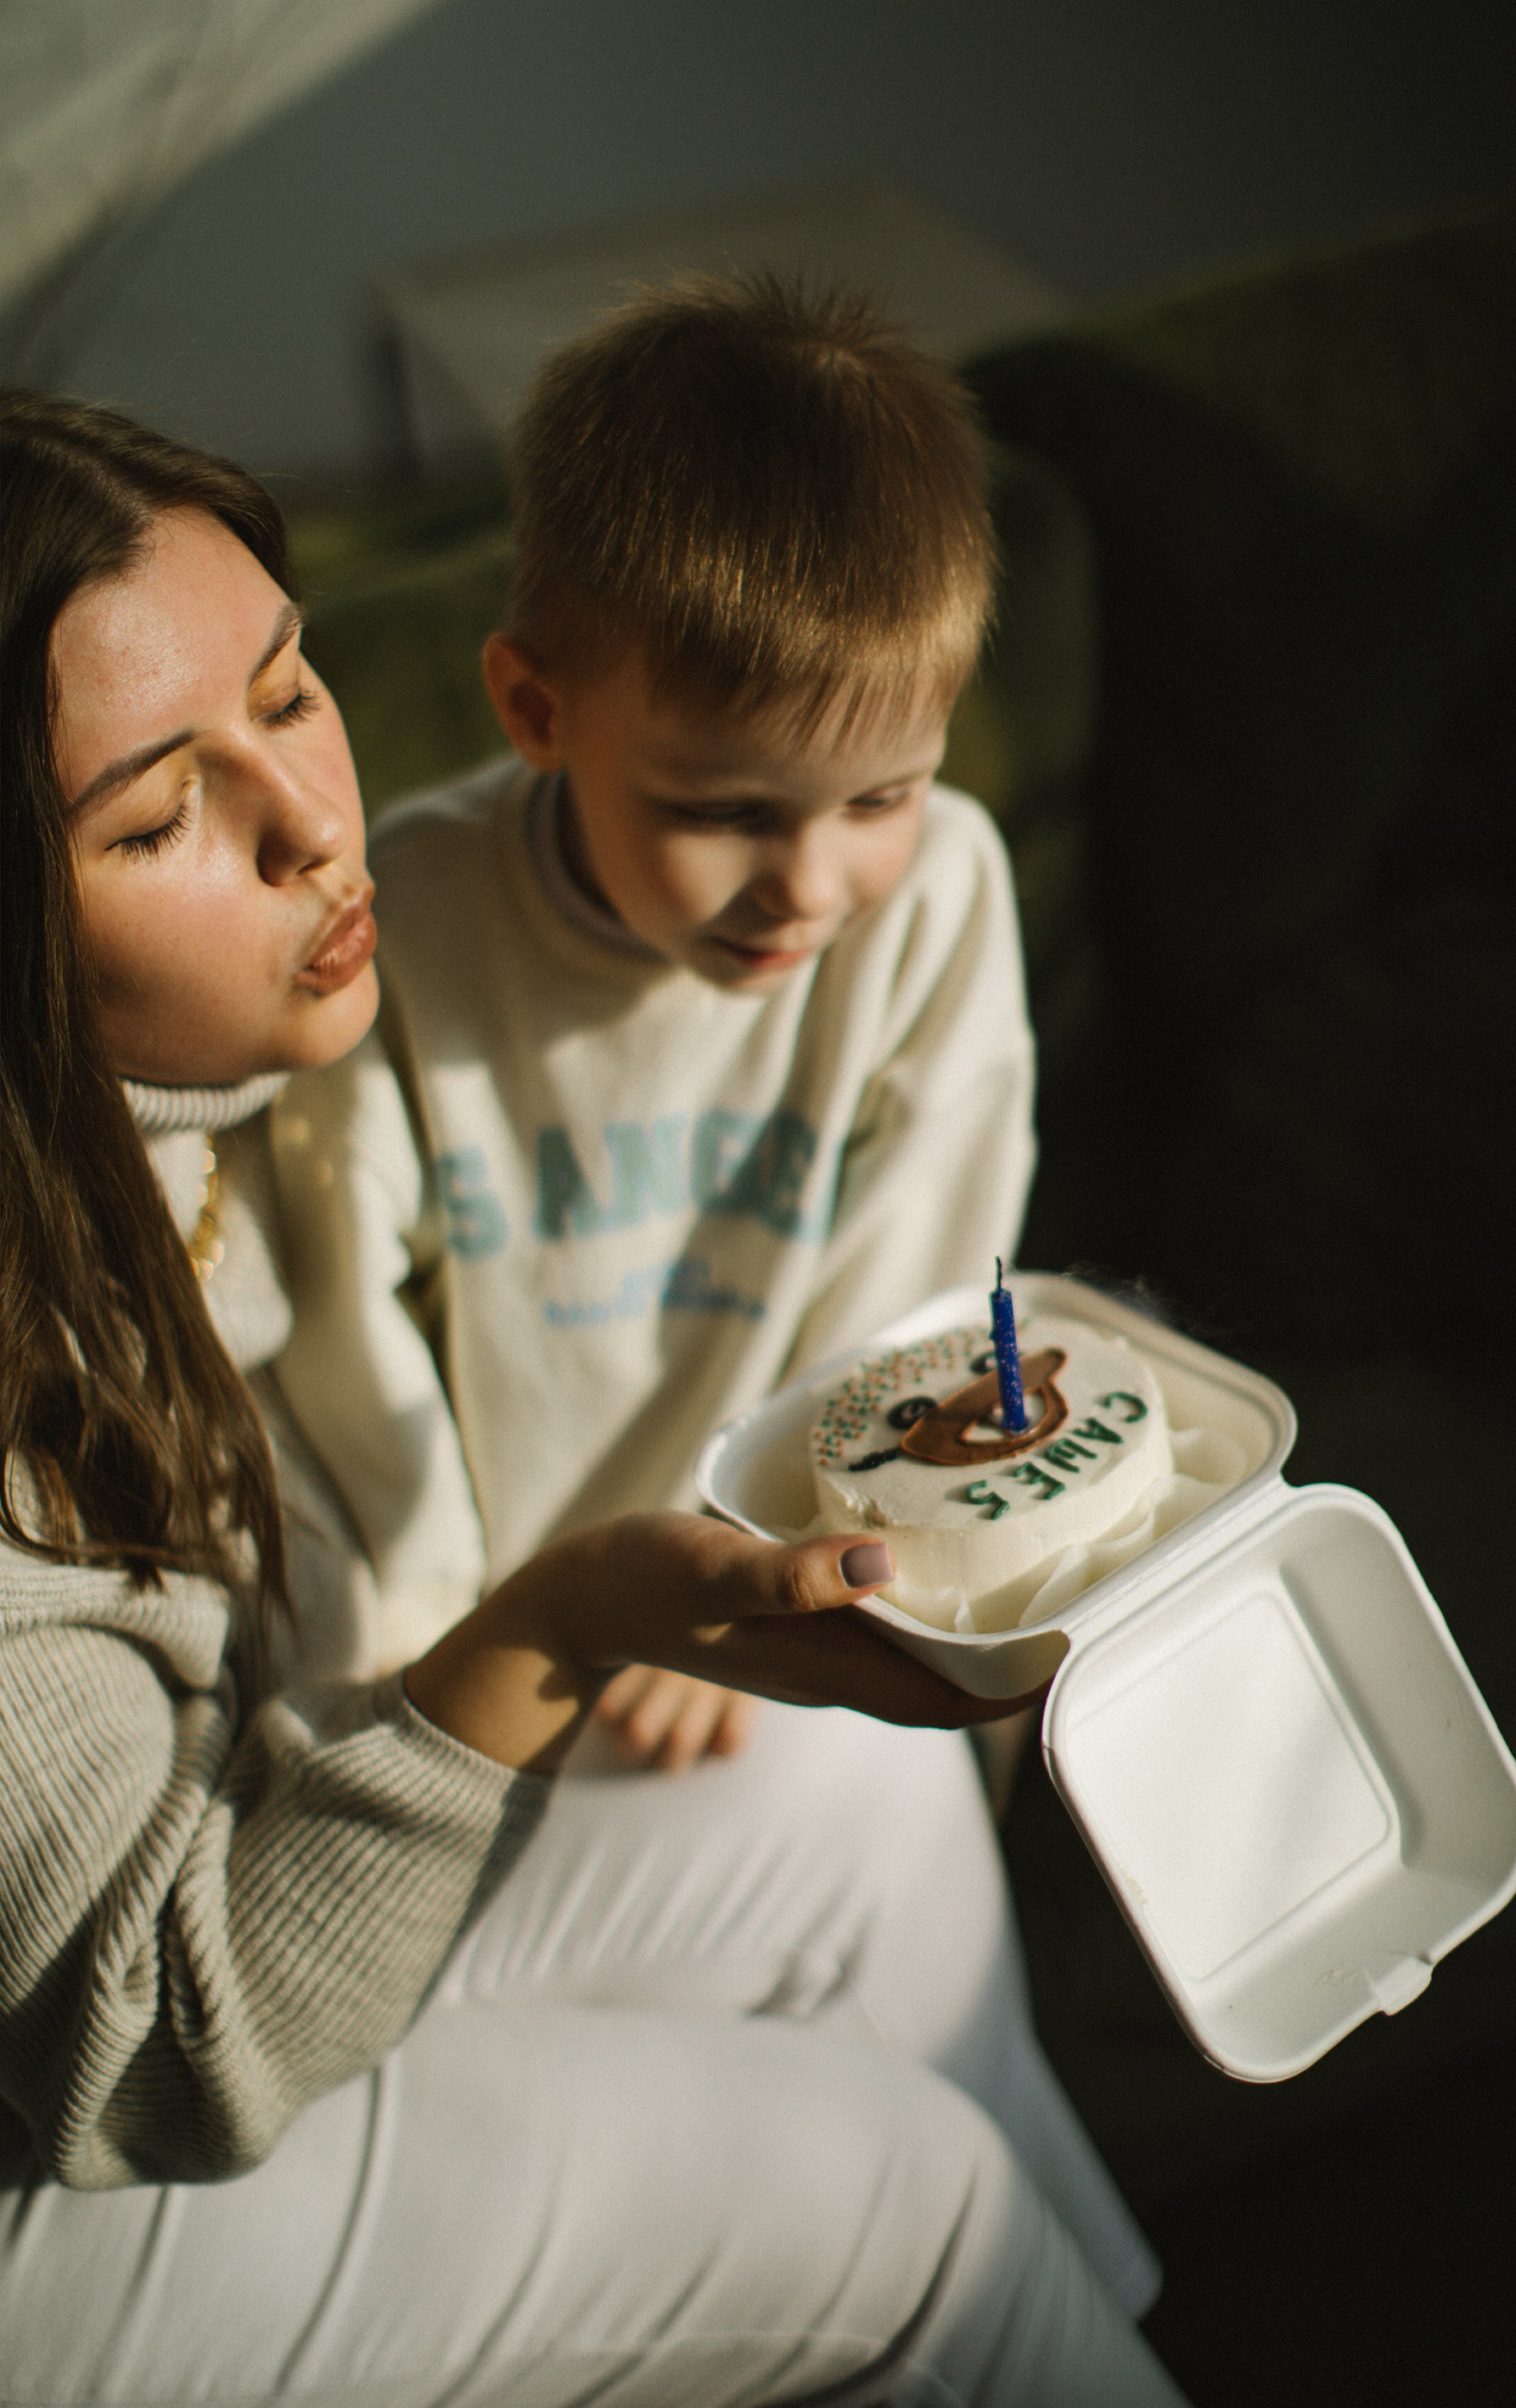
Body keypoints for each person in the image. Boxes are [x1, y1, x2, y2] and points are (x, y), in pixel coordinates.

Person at [0, 389, 1188, 2405]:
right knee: (915, 2210)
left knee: (864, 1817)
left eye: (290, 696)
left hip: (192, 1938)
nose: (313, 825)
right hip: (81, 2151)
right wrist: (556, 1624)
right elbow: (156, 2043)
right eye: (154, 817)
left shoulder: (161, 1143)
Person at [269, 273, 1041, 1771]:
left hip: (821, 1577)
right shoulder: (409, 924)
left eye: (881, 794)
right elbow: (337, 1314)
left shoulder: (938, 889)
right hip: (499, 1639)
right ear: (537, 710)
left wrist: (756, 1553)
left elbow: (926, 1257)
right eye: (723, 812)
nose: (810, 888)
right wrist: (449, 1642)